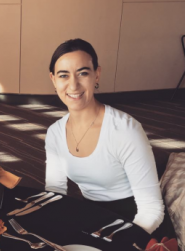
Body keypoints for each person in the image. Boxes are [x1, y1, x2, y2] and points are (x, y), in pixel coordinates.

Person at [45, 38, 164, 234]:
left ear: (96, 75)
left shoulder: (125, 130)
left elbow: (151, 209)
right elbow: (56, 191)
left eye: (82, 73)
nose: (73, 85)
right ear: (53, 80)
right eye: (63, 75)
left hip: (137, 221)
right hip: (92, 215)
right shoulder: (54, 133)